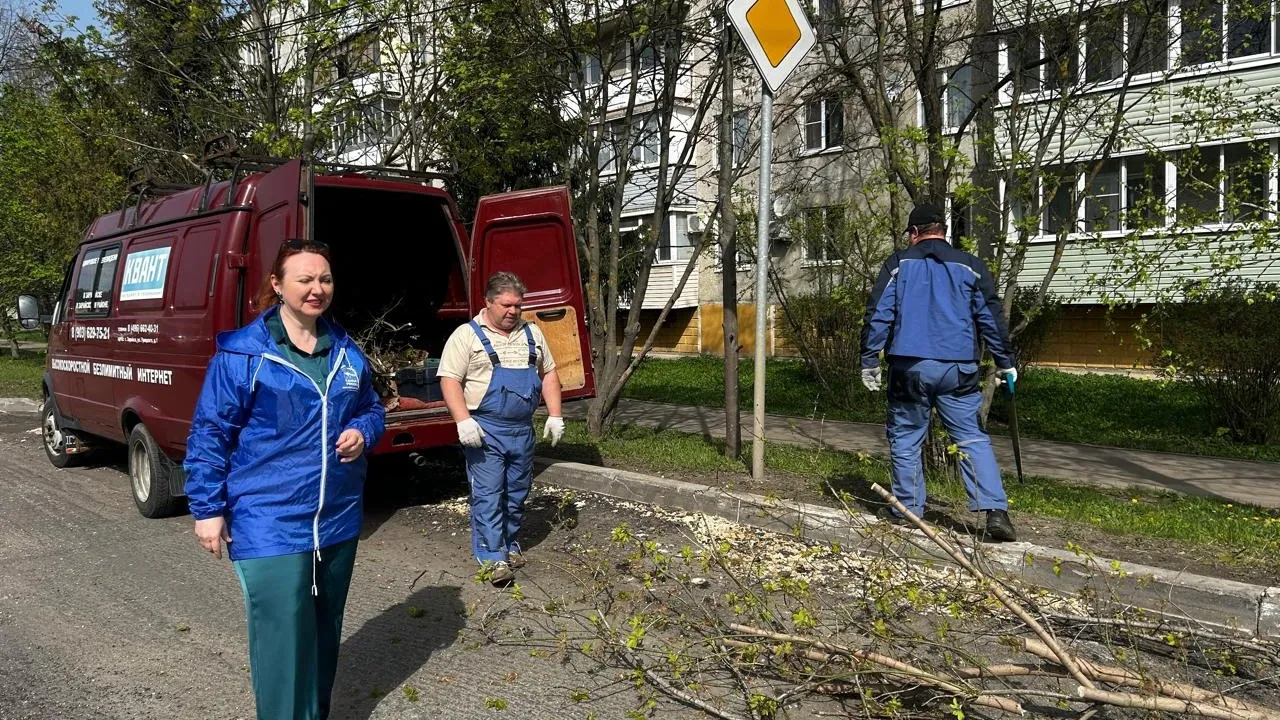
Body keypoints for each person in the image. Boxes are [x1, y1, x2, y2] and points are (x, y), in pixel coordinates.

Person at [184, 239, 386, 720]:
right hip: (268, 518)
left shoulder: (346, 351)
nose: (317, 289)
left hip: (336, 519)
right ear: (277, 285)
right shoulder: (243, 354)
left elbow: (372, 408)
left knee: (323, 632)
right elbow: (210, 433)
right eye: (305, 279)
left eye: (325, 279)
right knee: (281, 636)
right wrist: (208, 509)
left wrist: (363, 431)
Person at [859, 203, 1018, 542]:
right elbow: (990, 318)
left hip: (910, 368)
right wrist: (1005, 361)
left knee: (905, 437)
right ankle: (996, 512)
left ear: (915, 233)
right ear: (942, 231)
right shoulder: (971, 266)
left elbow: (879, 314)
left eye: (909, 234)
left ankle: (908, 511)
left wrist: (869, 359)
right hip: (958, 369)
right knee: (972, 438)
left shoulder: (898, 264)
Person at [438, 271, 564, 586]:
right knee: (489, 494)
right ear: (488, 302)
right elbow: (449, 379)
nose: (513, 311)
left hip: (521, 430)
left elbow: (548, 373)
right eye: (506, 305)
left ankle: (509, 543)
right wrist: (463, 420)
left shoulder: (532, 333)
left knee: (517, 492)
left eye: (518, 306)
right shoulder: (466, 336)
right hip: (485, 430)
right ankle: (492, 557)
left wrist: (555, 415)